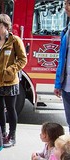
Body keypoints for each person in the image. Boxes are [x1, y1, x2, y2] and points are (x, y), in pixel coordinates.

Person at [0, 13, 27, 147]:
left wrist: (10, 70)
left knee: (10, 109)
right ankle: (2, 134)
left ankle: (12, 136)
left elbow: (23, 60)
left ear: (6, 26)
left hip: (9, 81)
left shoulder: (15, 40)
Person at [54, 0, 70, 133]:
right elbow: (62, 59)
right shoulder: (66, 29)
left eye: (69, 3)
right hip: (66, 86)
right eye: (65, 4)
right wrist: (58, 84)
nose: (66, 7)